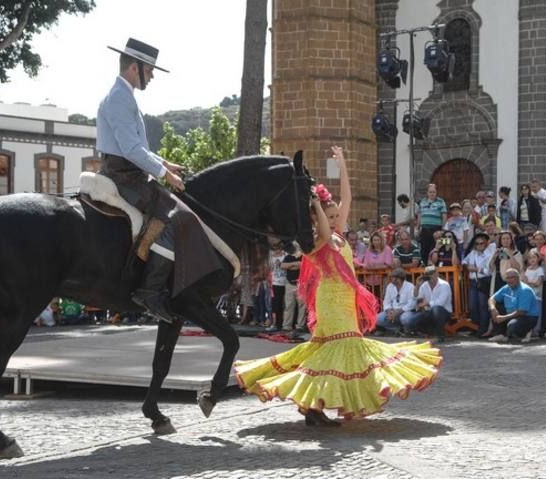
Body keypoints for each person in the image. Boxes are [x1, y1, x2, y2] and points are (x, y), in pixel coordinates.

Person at [234, 146, 441, 426]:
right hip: (330, 301)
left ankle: (313, 407)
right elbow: (320, 223)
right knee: (338, 349)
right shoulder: (314, 243)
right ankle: (315, 406)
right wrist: (316, 203)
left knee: (332, 352)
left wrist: (342, 163)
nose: (334, 220)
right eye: (329, 217)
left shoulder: (338, 235)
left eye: (335, 216)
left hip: (345, 299)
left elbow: (348, 197)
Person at [97, 38, 223, 325]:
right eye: (150, 70)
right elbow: (130, 150)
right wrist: (166, 176)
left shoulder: (123, 95)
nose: (152, 76)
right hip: (124, 176)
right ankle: (150, 291)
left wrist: (165, 164)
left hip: (129, 172)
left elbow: (135, 147)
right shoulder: (120, 98)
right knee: (175, 220)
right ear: (134, 68)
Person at [487, 269, 540, 342]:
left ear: (518, 278)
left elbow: (522, 311)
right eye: (507, 278)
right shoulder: (506, 287)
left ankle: (527, 332)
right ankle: (500, 334)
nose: (509, 280)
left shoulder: (525, 290)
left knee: (512, 326)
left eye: (512, 277)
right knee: (493, 307)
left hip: (527, 317)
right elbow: (491, 299)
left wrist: (503, 318)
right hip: (512, 314)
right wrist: (493, 309)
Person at [407, 265, 452, 342]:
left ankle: (440, 335)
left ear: (436, 274)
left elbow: (441, 303)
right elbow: (415, 297)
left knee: (436, 309)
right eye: (428, 274)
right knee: (410, 320)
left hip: (444, 312)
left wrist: (427, 303)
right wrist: (417, 286)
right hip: (429, 312)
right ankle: (428, 332)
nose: (430, 276)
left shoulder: (444, 285)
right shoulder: (424, 285)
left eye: (432, 273)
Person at [462, 232, 494, 336]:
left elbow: (489, 271)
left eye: (482, 243)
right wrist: (467, 266)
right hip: (473, 282)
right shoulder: (472, 253)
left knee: (483, 306)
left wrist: (476, 269)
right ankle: (475, 327)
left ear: (486, 244)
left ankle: (483, 329)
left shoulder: (490, 254)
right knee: (472, 306)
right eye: (477, 243)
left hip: (484, 281)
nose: (479, 245)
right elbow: (463, 261)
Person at [375, 268, 416, 335]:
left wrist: (399, 311)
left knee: (406, 318)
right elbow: (386, 302)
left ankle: (405, 329)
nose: (392, 280)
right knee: (377, 318)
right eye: (392, 278)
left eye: (395, 278)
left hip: (405, 312)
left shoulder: (410, 287)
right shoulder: (390, 286)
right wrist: (389, 311)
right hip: (392, 311)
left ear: (400, 279)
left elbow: (412, 303)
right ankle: (397, 329)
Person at [417, 184, 447, 264]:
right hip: (425, 229)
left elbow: (444, 215)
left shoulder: (441, 201)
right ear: (427, 193)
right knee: (424, 249)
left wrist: (443, 228)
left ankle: (435, 266)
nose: (432, 194)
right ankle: (425, 266)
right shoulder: (422, 202)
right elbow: (420, 215)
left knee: (436, 248)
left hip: (436, 229)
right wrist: (418, 227)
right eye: (430, 192)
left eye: (434, 192)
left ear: (436, 192)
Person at [280, 242, 305, 333]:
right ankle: (287, 326)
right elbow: (283, 266)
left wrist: (291, 266)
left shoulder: (305, 256)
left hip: (301, 284)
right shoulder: (289, 257)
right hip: (290, 284)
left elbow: (304, 266)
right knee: (289, 305)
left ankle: (300, 326)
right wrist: (296, 264)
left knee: (302, 306)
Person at [361, 231, 393, 297]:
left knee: (382, 298)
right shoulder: (368, 250)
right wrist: (377, 267)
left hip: (383, 279)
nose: (376, 242)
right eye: (374, 240)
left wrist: (373, 268)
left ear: (381, 240)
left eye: (378, 240)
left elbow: (388, 265)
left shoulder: (387, 249)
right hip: (370, 280)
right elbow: (365, 265)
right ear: (371, 241)